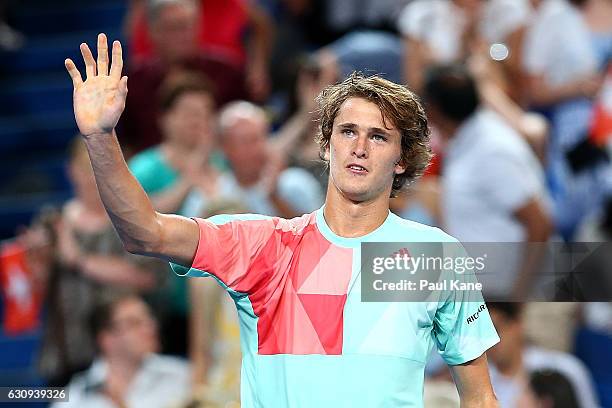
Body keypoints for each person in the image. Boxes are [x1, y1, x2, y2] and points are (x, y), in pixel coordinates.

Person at [64, 33, 500, 407]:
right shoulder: (263, 246)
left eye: (379, 136)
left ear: (402, 160)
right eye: (347, 131)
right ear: (327, 147)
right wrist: (100, 137)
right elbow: (146, 233)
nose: (360, 147)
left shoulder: (434, 255)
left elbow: (479, 396)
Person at [423, 64, 552, 299]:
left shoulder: (492, 150)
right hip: (489, 298)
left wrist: (517, 299)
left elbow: (540, 223)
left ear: (433, 110)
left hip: (524, 302)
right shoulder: (466, 140)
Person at [52, 293, 191, 408]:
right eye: (134, 323)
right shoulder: (75, 397)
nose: (150, 328)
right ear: (106, 339)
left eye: (149, 319)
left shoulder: (183, 376)